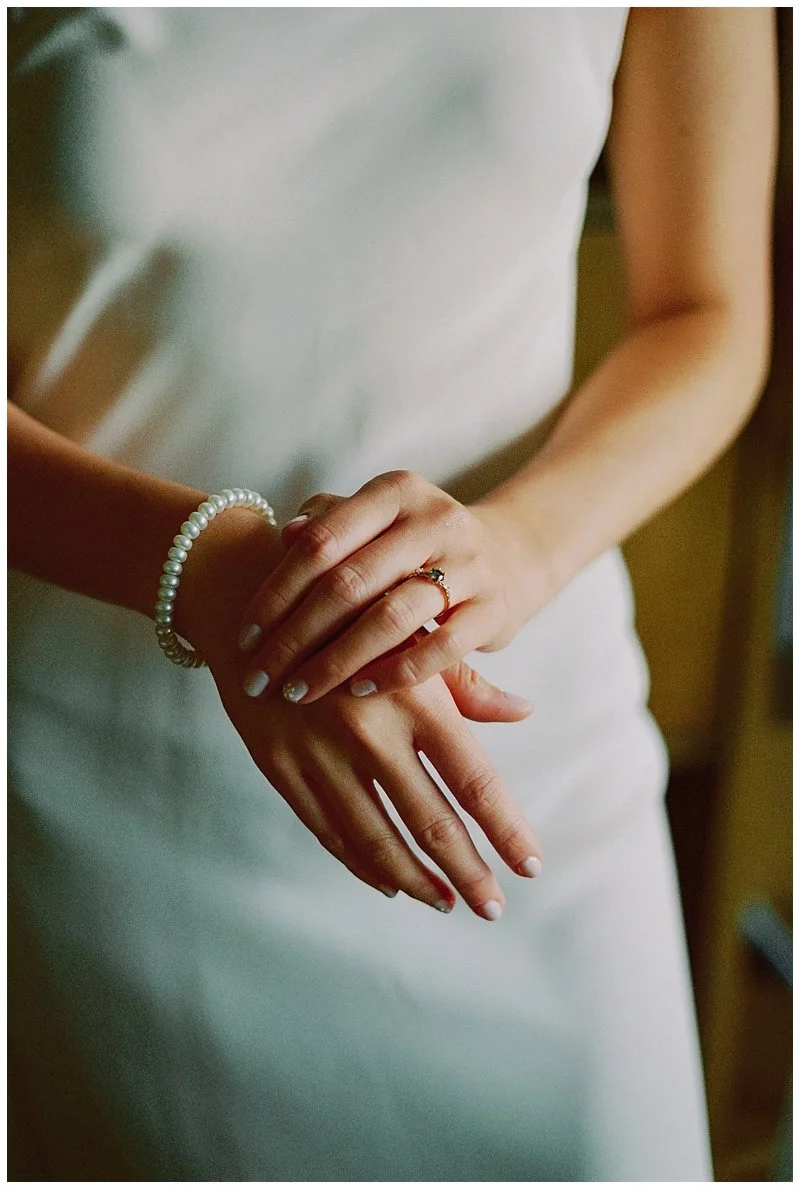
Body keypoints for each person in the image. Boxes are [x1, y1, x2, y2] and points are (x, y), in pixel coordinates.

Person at [8, 7, 775, 1181]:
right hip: (115, 790)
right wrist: (208, 570)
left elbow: (706, 313)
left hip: (521, 762)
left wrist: (520, 546)